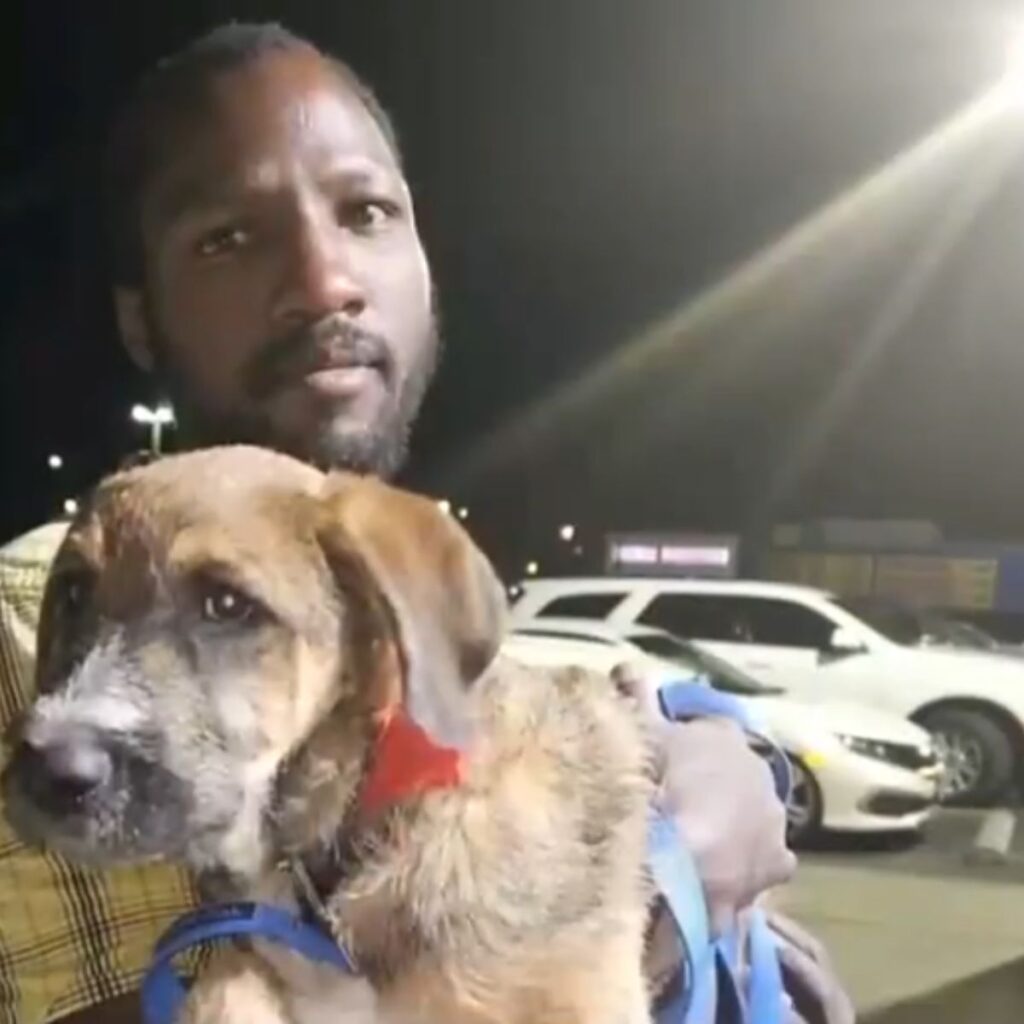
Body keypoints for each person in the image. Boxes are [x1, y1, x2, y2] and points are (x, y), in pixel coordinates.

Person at [0, 23, 851, 1024]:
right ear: (139, 317)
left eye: (365, 212)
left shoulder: (394, 589)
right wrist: (636, 926)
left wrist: (727, 753)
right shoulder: (18, 634)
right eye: (227, 236)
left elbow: (567, 734)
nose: (323, 282)